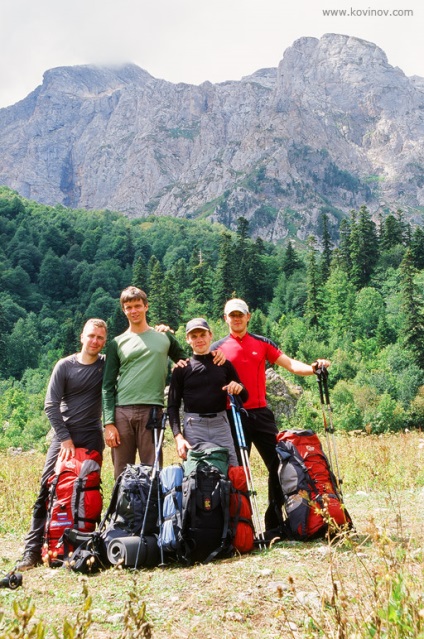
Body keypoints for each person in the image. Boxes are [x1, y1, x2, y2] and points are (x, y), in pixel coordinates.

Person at [211, 298, 330, 529]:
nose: (236, 319)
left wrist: (314, 367)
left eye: (240, 315)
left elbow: (292, 366)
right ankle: (241, 526)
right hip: (232, 414)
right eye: (231, 315)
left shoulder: (262, 343)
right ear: (225, 318)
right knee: (236, 471)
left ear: (248, 317)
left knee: (278, 465)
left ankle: (274, 524)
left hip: (261, 414)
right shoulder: (217, 348)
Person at [102, 288, 225, 479]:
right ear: (123, 310)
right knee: (121, 472)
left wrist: (215, 353)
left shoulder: (164, 337)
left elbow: (190, 361)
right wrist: (108, 423)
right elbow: (107, 385)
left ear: (146, 306)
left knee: (153, 471)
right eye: (128, 307)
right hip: (122, 412)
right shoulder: (116, 343)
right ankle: (122, 509)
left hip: (153, 411)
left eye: (137, 306)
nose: (133, 311)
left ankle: (153, 509)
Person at [16, 318, 107, 571]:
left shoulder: (106, 364)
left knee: (88, 491)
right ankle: (31, 552)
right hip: (63, 436)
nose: (95, 341)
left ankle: (86, 547)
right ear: (82, 337)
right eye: (91, 336)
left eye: (100, 338)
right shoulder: (65, 366)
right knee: (47, 489)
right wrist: (65, 438)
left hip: (92, 436)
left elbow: (134, 358)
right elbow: (50, 405)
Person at [167, 318, 248, 466]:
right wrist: (178, 437)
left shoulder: (224, 364)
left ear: (210, 335)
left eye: (202, 335)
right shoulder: (182, 368)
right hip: (194, 426)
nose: (199, 340)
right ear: (187, 340)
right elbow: (172, 406)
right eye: (194, 336)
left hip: (221, 424)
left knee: (232, 469)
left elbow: (244, 396)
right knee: (197, 472)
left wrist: (239, 388)